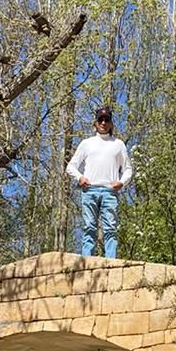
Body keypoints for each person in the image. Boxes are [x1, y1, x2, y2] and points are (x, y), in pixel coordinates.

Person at [65, 107, 133, 258]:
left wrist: (121, 183)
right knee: (89, 226)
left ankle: (110, 261)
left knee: (110, 228)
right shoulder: (87, 143)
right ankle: (86, 260)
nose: (103, 122)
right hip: (90, 190)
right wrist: (80, 177)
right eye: (100, 120)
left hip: (110, 191)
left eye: (106, 119)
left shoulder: (118, 144)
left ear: (111, 123)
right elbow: (71, 166)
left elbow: (128, 169)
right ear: (95, 123)